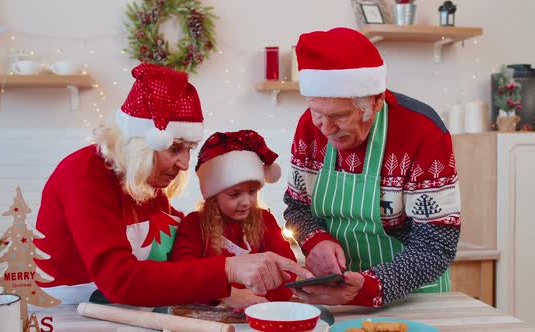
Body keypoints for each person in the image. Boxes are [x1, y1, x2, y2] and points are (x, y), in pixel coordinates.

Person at [34, 63, 311, 307]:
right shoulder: (84, 174)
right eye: (175, 149)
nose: (184, 164)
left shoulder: (144, 183)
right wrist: (228, 269)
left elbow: (174, 250)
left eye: (189, 149)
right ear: (143, 145)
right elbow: (120, 279)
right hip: (70, 314)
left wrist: (222, 290)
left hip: (120, 310)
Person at [283, 27, 461, 307]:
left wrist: (371, 287)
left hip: (414, 299)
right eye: (318, 113)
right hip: (334, 295)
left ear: (376, 100)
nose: (326, 128)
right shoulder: (309, 127)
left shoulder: (422, 131)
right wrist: (314, 240)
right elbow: (296, 208)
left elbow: (436, 246)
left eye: (340, 116)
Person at [170, 130, 296, 309]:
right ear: (213, 195)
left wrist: (263, 302)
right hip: (208, 315)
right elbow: (184, 271)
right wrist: (224, 294)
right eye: (234, 194)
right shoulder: (194, 224)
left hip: (261, 310)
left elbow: (285, 269)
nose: (246, 202)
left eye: (252, 192)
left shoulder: (264, 220)